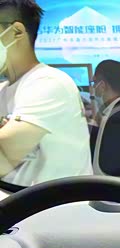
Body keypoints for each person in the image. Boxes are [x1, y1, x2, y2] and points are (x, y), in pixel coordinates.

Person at [0, 0, 91, 186]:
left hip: (55, 203)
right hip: (18, 200)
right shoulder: (4, 89)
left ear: (16, 32)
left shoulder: (49, 82)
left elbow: (3, 156)